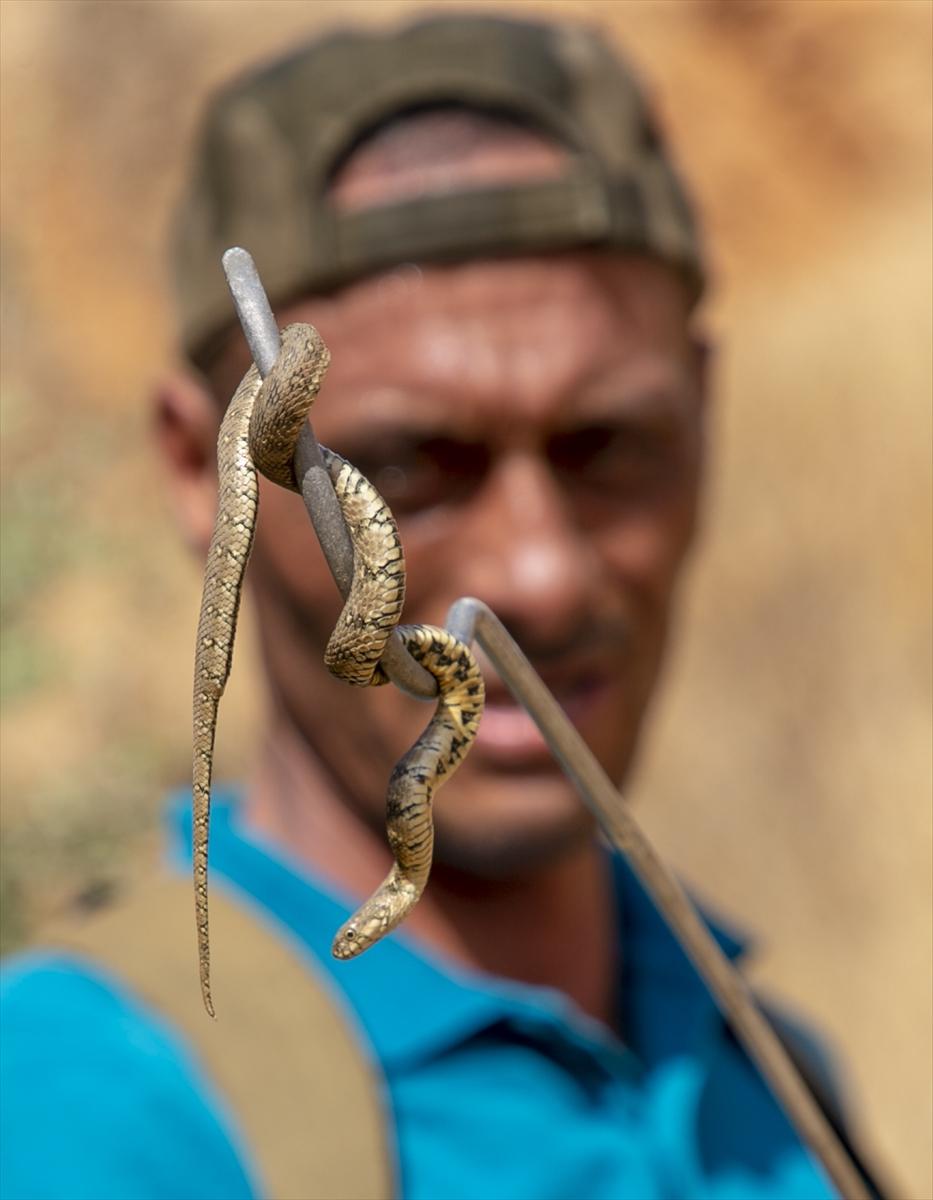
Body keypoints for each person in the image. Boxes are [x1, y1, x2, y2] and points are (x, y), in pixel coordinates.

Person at [0, 13, 882, 1200]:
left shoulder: (764, 1079)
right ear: (196, 472)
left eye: (608, 445)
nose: (540, 575)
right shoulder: (88, 1119)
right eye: (407, 469)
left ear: (706, 414)